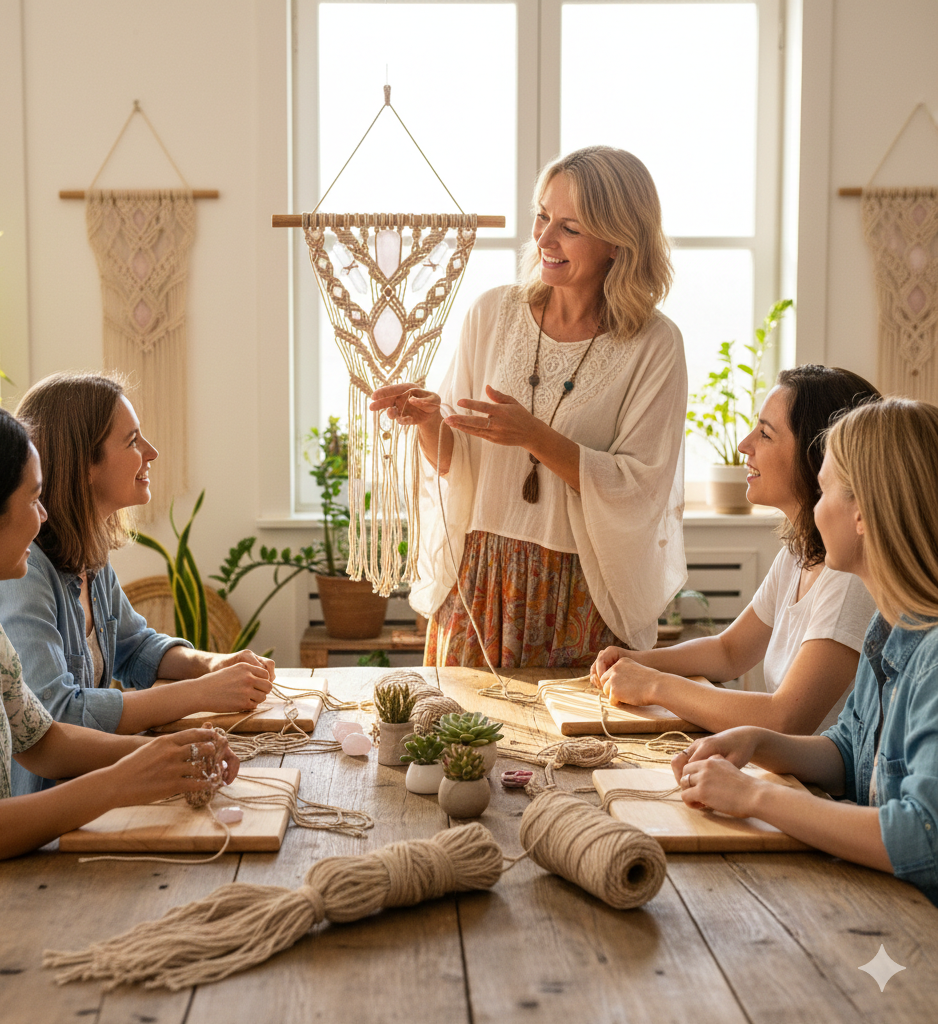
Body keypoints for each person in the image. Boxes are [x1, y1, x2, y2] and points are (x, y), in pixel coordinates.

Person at [0, 398, 238, 945]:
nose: (43, 516)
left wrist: (169, 757)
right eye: (34, 499)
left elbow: (45, 740)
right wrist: (117, 785)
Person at [370, 146, 686, 667]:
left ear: (618, 240)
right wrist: (430, 422)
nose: (544, 238)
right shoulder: (493, 312)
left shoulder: (655, 344)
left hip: (582, 592)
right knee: (459, 747)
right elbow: (457, 464)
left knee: (572, 748)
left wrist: (534, 436)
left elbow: (641, 488)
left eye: (570, 226)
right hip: (479, 582)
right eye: (541, 216)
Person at [673, 398, 938, 905]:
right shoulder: (889, 627)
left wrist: (755, 795)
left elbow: (923, 835)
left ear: (862, 514)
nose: (815, 509)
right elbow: (848, 753)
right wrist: (757, 741)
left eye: (825, 490)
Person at [0, 373, 272, 796]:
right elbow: (57, 716)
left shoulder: (89, 555)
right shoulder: (22, 576)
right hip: (44, 812)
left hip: (88, 791)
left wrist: (211, 665)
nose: (151, 452)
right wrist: (200, 693)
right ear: (84, 464)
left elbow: (134, 646)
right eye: (133, 440)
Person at [593, 365, 880, 734]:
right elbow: (729, 652)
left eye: (765, 434)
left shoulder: (850, 579)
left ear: (816, 457)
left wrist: (654, 685)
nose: (745, 445)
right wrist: (640, 661)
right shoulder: (797, 555)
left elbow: (786, 719)